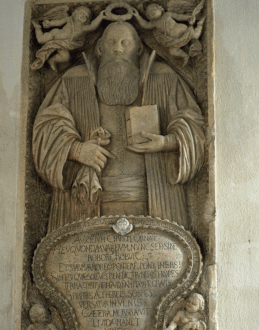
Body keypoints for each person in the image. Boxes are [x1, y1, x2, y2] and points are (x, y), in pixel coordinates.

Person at [32, 21, 205, 233]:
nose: (118, 49)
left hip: (157, 204)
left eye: (125, 42)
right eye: (112, 42)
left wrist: (166, 142)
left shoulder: (165, 77)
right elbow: (44, 128)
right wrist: (77, 150)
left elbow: (195, 126)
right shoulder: (72, 80)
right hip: (86, 202)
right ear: (99, 48)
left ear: (139, 48)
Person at [31, 6, 107, 72]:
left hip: (64, 45)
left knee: (65, 57)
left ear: (87, 20)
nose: (83, 16)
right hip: (55, 35)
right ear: (75, 14)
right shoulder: (69, 19)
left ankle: (52, 60)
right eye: (82, 13)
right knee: (41, 40)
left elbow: (93, 26)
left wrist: (100, 16)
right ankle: (38, 28)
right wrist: (49, 23)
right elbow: (58, 22)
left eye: (86, 16)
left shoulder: (83, 28)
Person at [132, 4, 204, 67]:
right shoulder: (154, 23)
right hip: (175, 40)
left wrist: (188, 17)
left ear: (160, 8)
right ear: (149, 17)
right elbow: (145, 25)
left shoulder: (167, 14)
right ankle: (185, 56)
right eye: (149, 13)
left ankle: (199, 24)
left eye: (153, 9)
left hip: (182, 30)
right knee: (172, 51)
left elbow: (178, 16)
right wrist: (137, 16)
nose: (152, 12)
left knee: (195, 36)